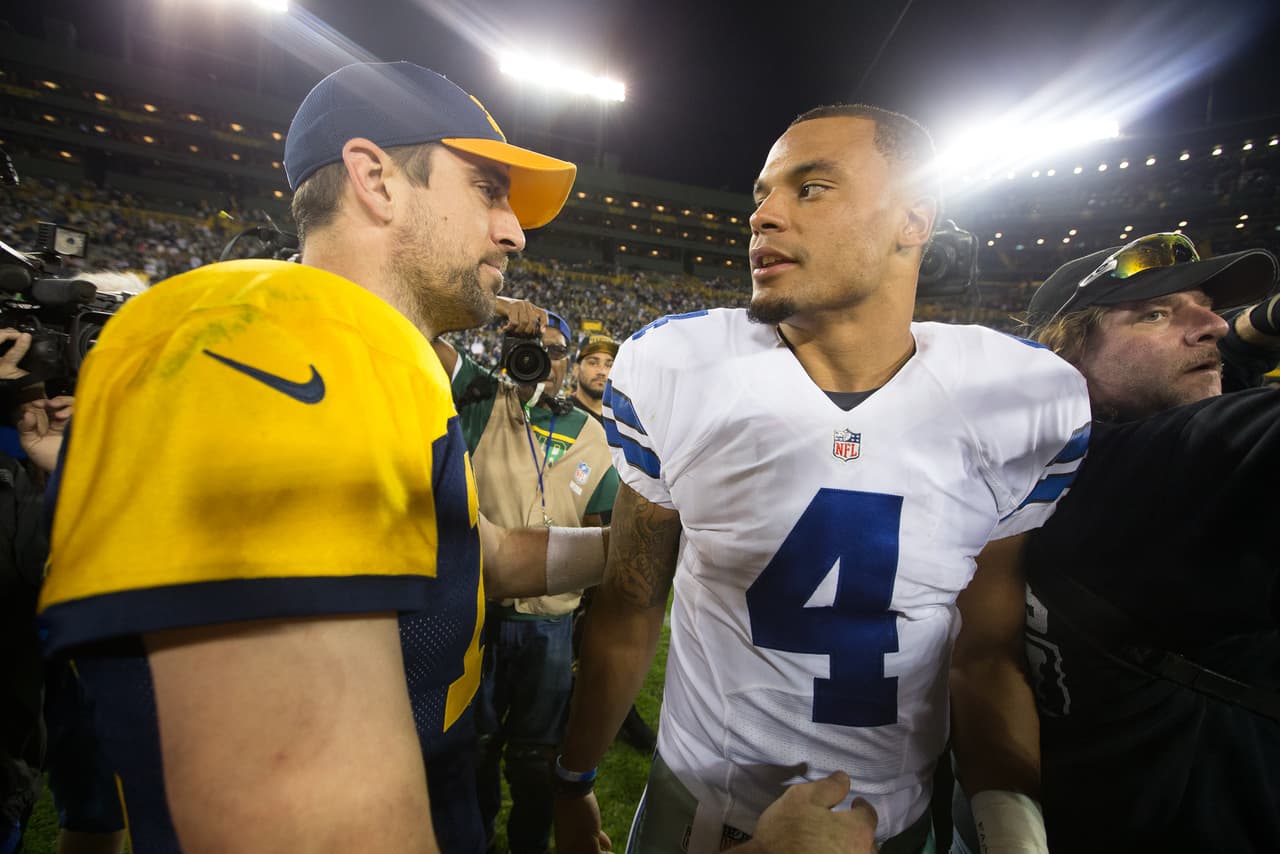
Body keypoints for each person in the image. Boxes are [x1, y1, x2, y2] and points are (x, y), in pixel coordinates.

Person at [34, 60, 598, 854]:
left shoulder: (385, 358)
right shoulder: (277, 340)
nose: (513, 230)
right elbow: (307, 825)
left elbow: (463, 554)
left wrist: (629, 549)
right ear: (376, 178)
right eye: (486, 190)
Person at [555, 103, 1092, 854]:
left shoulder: (1019, 400)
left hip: (894, 825)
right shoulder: (677, 369)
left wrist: (1012, 827)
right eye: (760, 195)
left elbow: (983, 648)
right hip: (699, 809)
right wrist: (574, 781)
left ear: (913, 220)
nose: (763, 216)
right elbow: (631, 605)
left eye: (810, 188)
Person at [987, 234, 1280, 852]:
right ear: (1063, 362)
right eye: (1155, 314)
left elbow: (1189, 366)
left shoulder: (1040, 467)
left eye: (1205, 306)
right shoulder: (1172, 466)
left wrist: (1254, 329)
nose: (1213, 329)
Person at [433, 305, 618, 854]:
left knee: (538, 755)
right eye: (533, 347)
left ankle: (531, 843)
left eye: (557, 350)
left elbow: (603, 535)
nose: (545, 359)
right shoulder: (483, 398)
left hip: (553, 625)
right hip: (477, 614)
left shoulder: (591, 431)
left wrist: (595, 629)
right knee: (476, 746)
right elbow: (413, 330)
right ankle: (479, 839)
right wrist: (494, 312)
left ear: (568, 362)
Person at [571, 333, 618, 422]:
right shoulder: (558, 415)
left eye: (609, 365)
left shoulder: (622, 422)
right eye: (593, 363)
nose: (602, 372)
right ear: (576, 369)